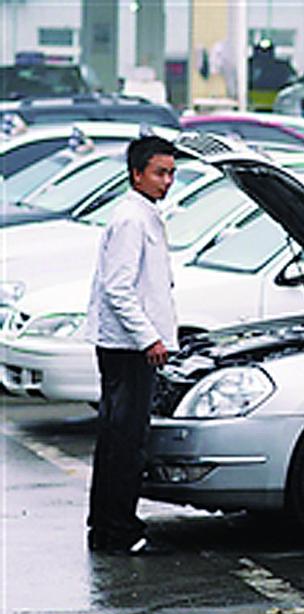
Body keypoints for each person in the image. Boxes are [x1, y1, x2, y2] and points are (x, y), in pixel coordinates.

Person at [86, 134, 179, 555]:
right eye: (160, 173)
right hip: (128, 348)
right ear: (136, 174)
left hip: (129, 344)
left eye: (172, 173)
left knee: (117, 438)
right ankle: (120, 531)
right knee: (125, 442)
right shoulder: (131, 219)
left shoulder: (144, 214)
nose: (167, 181)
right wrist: (149, 338)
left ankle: (106, 527)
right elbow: (117, 288)